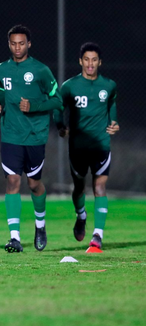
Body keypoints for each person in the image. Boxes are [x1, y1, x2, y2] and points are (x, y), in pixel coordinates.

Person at [0, 24, 62, 253]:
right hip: (10, 134)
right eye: (13, 43)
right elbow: (1, 92)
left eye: (22, 43)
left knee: (34, 184)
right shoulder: (0, 69)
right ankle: (14, 238)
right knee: (12, 181)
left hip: (35, 136)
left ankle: (40, 225)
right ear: (8, 44)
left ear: (29, 44)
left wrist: (34, 106)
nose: (17, 47)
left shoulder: (41, 70)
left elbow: (57, 100)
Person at [54, 42, 119, 250]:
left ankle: (97, 236)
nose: (90, 64)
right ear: (80, 61)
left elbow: (112, 105)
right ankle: (81, 215)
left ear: (99, 62)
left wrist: (114, 123)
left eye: (94, 60)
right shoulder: (70, 86)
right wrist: (60, 126)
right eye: (86, 59)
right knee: (79, 187)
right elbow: (58, 107)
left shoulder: (109, 85)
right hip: (78, 148)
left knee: (99, 187)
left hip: (101, 145)